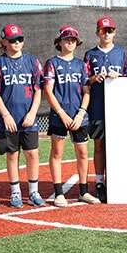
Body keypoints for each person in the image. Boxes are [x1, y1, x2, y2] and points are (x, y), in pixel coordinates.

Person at [0, 24, 46, 208]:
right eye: (12, 40)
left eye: (20, 39)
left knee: (32, 154)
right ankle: (15, 193)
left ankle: (33, 192)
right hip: (9, 119)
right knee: (12, 155)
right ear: (4, 41)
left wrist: (32, 113)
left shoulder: (32, 61)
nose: (17, 42)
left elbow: (38, 89)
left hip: (28, 118)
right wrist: (5, 114)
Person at [43, 26, 100, 207]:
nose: (70, 42)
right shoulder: (52, 63)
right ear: (59, 42)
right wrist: (61, 113)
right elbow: (48, 91)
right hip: (59, 116)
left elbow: (86, 91)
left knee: (83, 153)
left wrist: (81, 112)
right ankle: (59, 193)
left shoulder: (81, 64)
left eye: (73, 40)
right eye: (66, 39)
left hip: (79, 116)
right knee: (57, 153)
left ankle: (83, 192)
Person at [84, 16, 127, 203]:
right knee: (98, 144)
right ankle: (99, 181)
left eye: (110, 30)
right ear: (98, 32)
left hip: (119, 108)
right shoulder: (90, 54)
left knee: (118, 144)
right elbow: (85, 80)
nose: (107, 33)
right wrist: (93, 78)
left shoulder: (123, 52)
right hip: (97, 105)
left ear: (115, 32)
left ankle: (117, 180)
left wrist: (119, 76)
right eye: (103, 30)